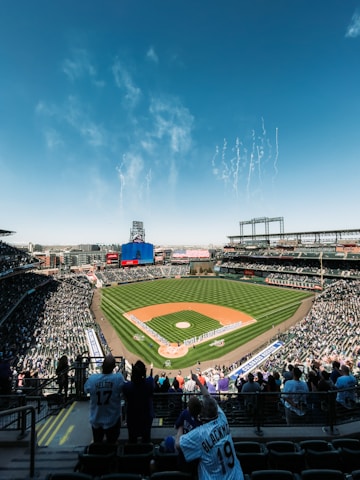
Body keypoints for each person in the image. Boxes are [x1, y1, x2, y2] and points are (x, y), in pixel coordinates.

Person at [176, 372, 244, 480]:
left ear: (202, 415)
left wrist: (180, 425)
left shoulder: (200, 433)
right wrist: (197, 381)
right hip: (237, 476)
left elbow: (178, 444)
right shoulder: (222, 418)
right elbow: (208, 397)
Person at [84, 354, 125, 443]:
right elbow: (124, 390)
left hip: (96, 419)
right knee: (112, 444)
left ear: (102, 366)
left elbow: (85, 390)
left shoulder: (92, 379)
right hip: (113, 419)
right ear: (114, 367)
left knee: (97, 443)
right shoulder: (118, 378)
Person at [122, 360, 154, 443]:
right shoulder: (149, 383)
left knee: (132, 440)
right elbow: (150, 379)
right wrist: (151, 369)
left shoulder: (127, 387)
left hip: (132, 418)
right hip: (146, 418)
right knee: (146, 441)